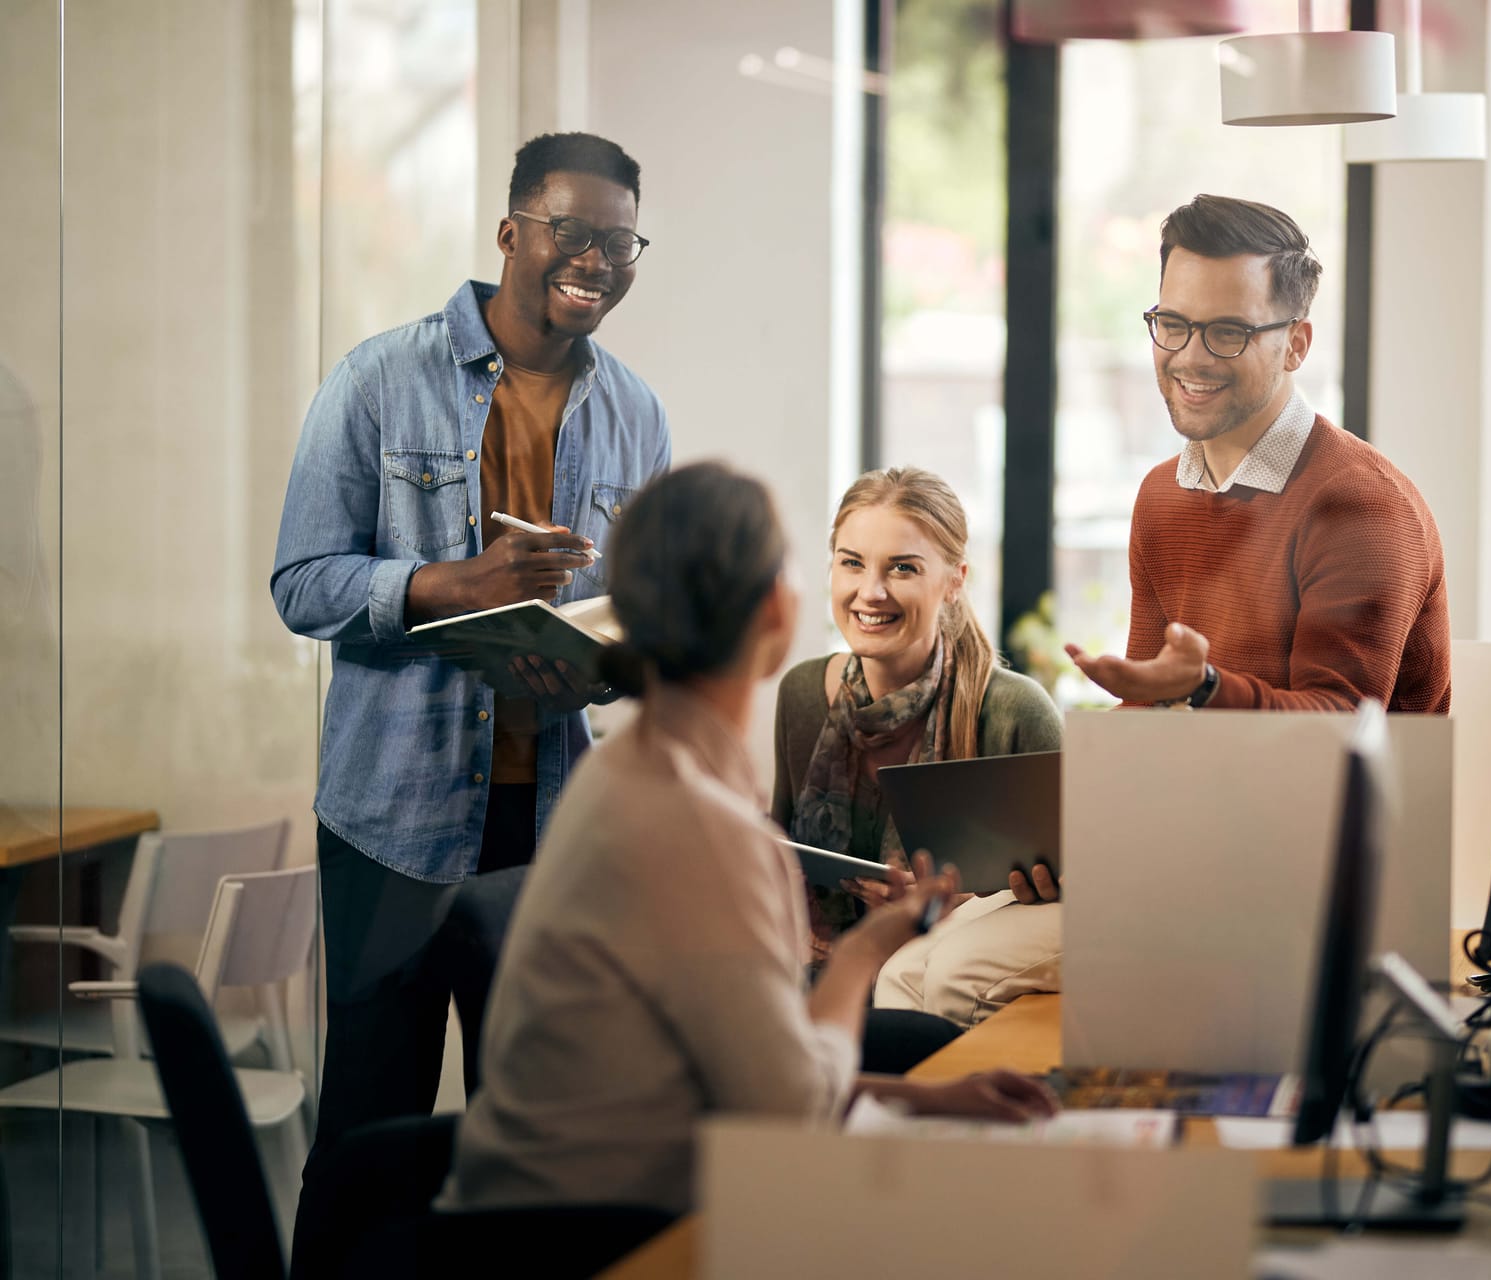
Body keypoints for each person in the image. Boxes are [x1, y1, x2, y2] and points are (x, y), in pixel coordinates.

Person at [442, 461, 1055, 1216]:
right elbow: (790, 1111)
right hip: (600, 1233)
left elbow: (738, 1072)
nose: (868, 590)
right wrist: (867, 949)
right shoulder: (708, 828)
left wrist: (927, 1096)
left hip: (542, 1200)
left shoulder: (621, 776)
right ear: (777, 606)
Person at [270, 131, 672, 1187]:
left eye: (620, 243)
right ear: (510, 232)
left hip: (548, 822)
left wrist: (606, 660)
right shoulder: (377, 379)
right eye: (571, 232)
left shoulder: (637, 413)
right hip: (390, 816)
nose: (595, 260)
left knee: (526, 1142)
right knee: (364, 1137)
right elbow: (301, 583)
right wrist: (456, 585)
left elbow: (642, 620)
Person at [1066, 194, 1450, 713]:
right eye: (1174, 324)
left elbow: (1336, 733)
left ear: (1296, 345)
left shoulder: (1363, 506)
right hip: (1200, 790)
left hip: (1333, 796)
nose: (1190, 357)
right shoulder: (1161, 495)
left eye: (1228, 332)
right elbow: (1151, 710)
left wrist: (1201, 688)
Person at [771, 467, 1063, 1026]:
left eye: (902, 568)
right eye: (852, 562)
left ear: (954, 580)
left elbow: (1069, 903)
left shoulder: (1013, 712)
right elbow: (780, 847)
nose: (870, 592)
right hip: (810, 982)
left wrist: (952, 912)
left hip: (938, 1000)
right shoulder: (803, 694)